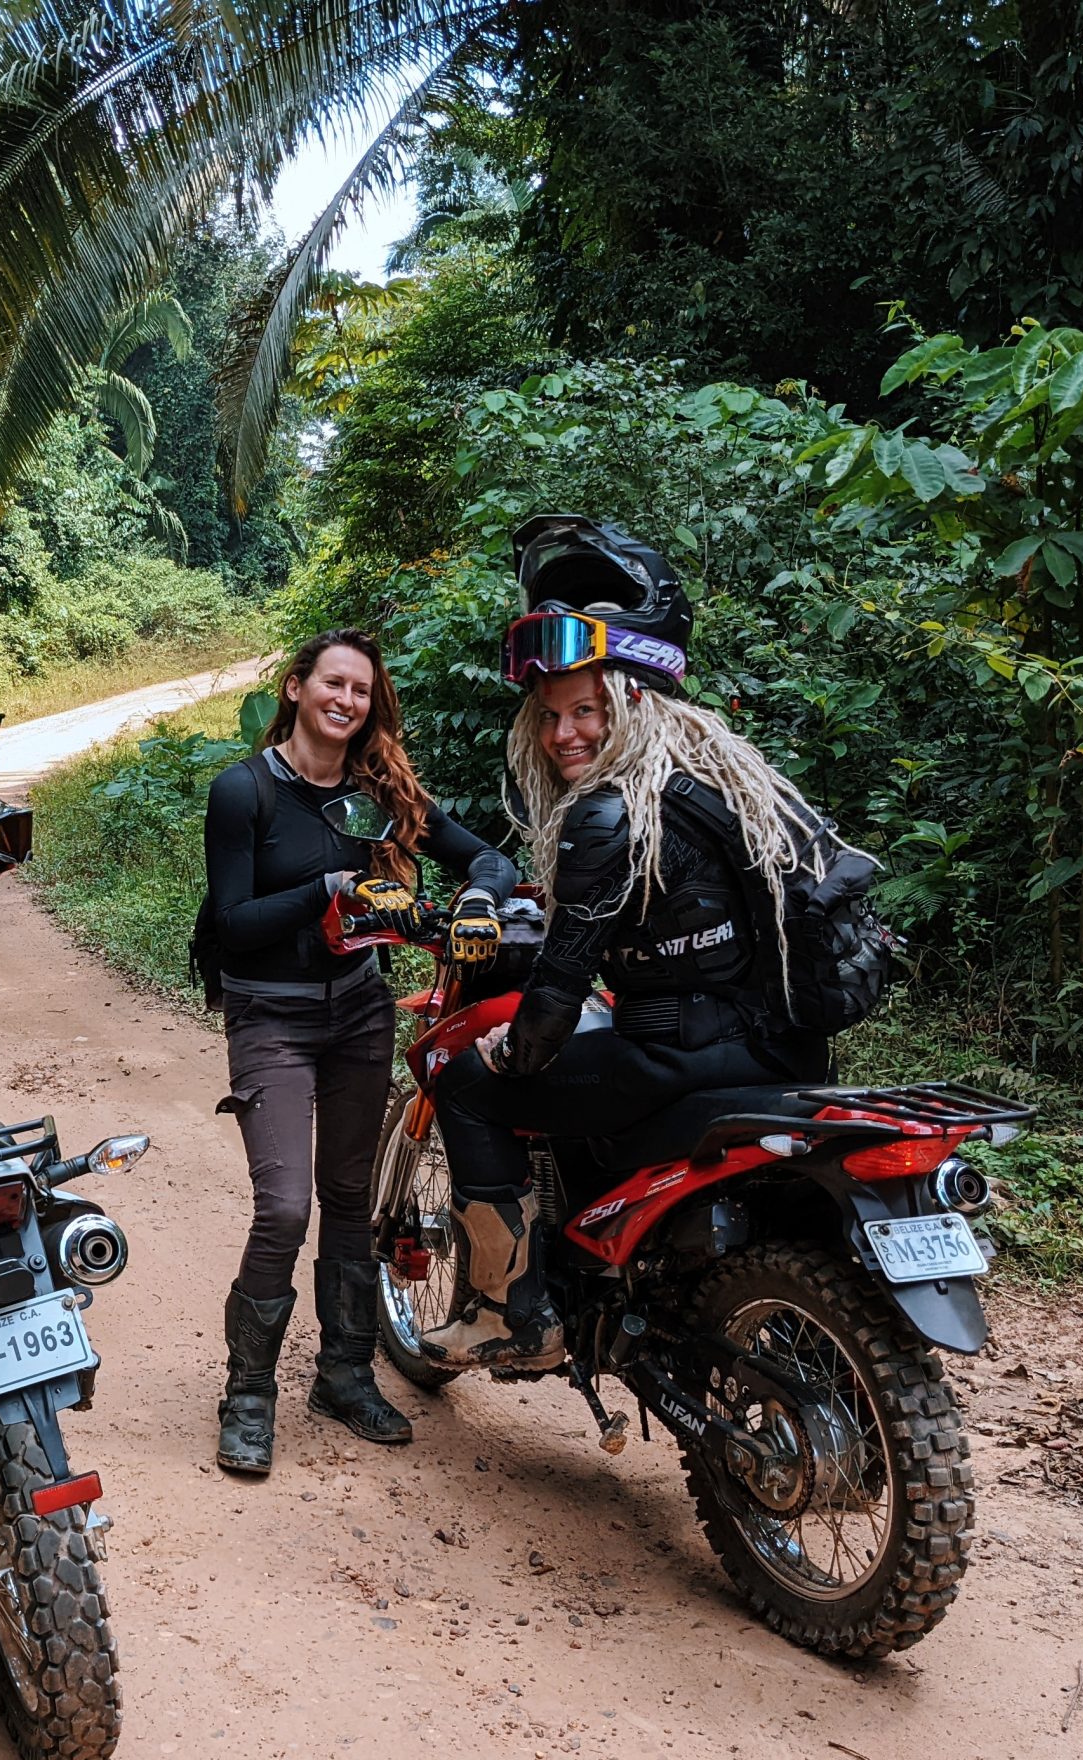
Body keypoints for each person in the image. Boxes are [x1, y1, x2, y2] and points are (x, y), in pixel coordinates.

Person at [420, 517, 839, 1371]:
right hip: (788, 1053)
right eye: (550, 715)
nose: (562, 734)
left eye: (587, 710)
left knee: (469, 1087)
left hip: (680, 1057)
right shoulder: (728, 781)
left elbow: (563, 983)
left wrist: (514, 1047)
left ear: (635, 701)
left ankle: (512, 1313)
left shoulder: (612, 811)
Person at [205, 628, 519, 1473]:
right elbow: (232, 928)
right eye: (333, 684)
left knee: (350, 1197)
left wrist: (480, 900)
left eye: (361, 692)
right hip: (269, 1015)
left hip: (357, 1013)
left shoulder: (382, 793)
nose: (347, 702)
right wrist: (330, 891)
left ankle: (343, 1374)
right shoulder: (245, 793)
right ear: (298, 688)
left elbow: (488, 855)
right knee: (284, 1208)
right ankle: (248, 1394)